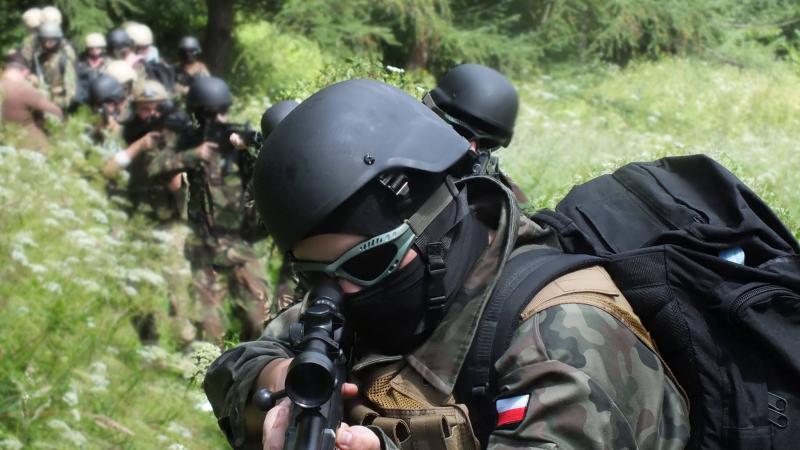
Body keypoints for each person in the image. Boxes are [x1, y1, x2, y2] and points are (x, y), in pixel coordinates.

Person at [203, 79, 690, 450]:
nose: (342, 292)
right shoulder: (355, 286)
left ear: (435, 221)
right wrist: (281, 389)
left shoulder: (565, 335)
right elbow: (233, 367)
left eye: (367, 262)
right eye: (316, 276)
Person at [147, 76, 270, 344]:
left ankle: (250, 357)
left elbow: (275, 158)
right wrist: (193, 155)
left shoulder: (240, 140)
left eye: (219, 112)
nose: (216, 119)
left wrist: (249, 145)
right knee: (209, 323)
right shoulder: (189, 142)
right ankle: (210, 362)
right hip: (202, 243)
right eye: (210, 114)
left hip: (238, 241)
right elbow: (156, 168)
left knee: (258, 312)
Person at [103, 79, 194, 345]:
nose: (151, 114)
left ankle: (186, 345)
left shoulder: (174, 136)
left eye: (156, 108)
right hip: (136, 222)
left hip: (169, 223)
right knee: (135, 289)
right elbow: (106, 170)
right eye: (145, 108)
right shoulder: (125, 134)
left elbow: (177, 185)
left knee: (177, 288)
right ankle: (149, 343)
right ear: (135, 108)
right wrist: (139, 146)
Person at [423, 63, 528, 203]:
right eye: (460, 131)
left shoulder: (499, 197)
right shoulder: (398, 136)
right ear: (433, 112)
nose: (471, 149)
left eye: (487, 143)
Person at [1, 52, 62, 151]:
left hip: (5, 141)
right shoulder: (23, 89)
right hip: (29, 146)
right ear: (25, 72)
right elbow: (56, 111)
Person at [32, 22, 77, 111]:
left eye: (52, 40)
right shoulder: (39, 59)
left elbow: (70, 96)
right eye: (45, 40)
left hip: (57, 108)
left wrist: (50, 99)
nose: (48, 43)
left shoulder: (64, 60)